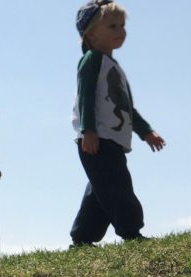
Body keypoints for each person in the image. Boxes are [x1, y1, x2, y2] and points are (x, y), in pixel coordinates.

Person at [70, 0, 166, 247]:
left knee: (101, 190)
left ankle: (82, 238)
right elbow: (86, 96)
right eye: (112, 26)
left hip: (112, 140)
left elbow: (127, 107)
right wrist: (88, 130)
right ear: (91, 33)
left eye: (122, 26)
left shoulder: (114, 67)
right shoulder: (91, 60)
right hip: (96, 138)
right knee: (118, 186)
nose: (120, 31)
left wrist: (146, 132)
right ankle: (131, 232)